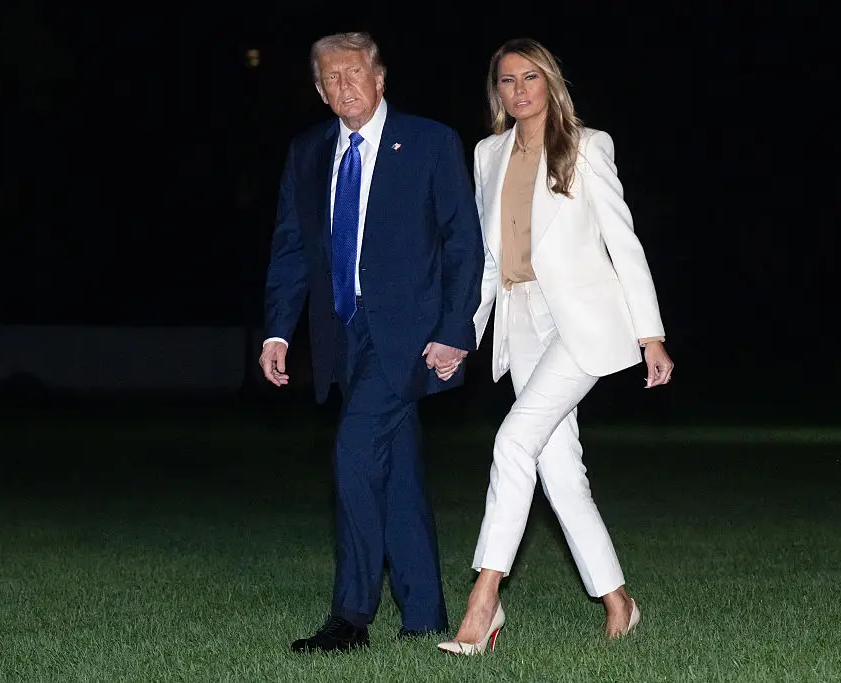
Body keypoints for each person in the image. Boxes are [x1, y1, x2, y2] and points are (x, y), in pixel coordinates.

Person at [436, 38, 674, 655]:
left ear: (550, 83)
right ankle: (619, 599)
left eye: (530, 77)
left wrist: (651, 335)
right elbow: (490, 258)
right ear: (498, 92)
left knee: (513, 440)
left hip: (579, 323)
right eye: (507, 80)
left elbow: (625, 244)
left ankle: (484, 600)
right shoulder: (488, 153)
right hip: (519, 321)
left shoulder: (588, 146)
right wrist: (465, 332)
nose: (519, 90)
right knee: (559, 469)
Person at [260, 31, 484, 653]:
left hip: (410, 336)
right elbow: (292, 248)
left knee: (354, 455)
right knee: (398, 472)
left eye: (353, 73)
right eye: (330, 78)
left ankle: (350, 617)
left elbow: (463, 243)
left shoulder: (432, 141)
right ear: (318, 89)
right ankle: (425, 614)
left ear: (379, 78)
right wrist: (278, 328)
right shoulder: (307, 152)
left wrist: (453, 329)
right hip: (341, 335)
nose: (343, 86)